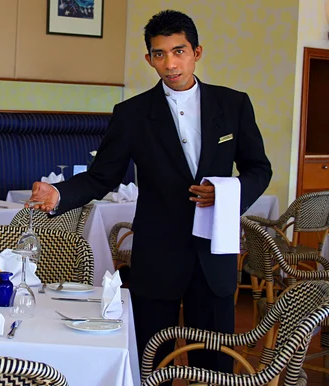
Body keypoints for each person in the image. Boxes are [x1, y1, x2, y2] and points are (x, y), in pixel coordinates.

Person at [29, 9, 272, 375]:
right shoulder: (131, 114)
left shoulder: (233, 104)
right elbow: (101, 177)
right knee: (150, 363)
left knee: (214, 365)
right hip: (158, 255)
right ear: (149, 59)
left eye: (179, 51)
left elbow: (259, 169)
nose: (170, 63)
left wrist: (228, 193)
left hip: (213, 258)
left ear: (197, 52)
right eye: (160, 54)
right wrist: (59, 194)